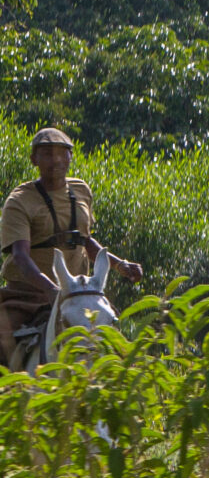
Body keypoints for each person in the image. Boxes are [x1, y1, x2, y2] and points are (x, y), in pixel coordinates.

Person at [1, 127, 141, 365]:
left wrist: (121, 265)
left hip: (79, 292)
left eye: (61, 153)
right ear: (34, 159)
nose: (55, 160)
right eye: (47, 154)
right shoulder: (19, 200)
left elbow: (85, 240)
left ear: (70, 157)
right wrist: (51, 289)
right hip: (28, 294)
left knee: (118, 349)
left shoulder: (81, 190)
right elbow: (20, 257)